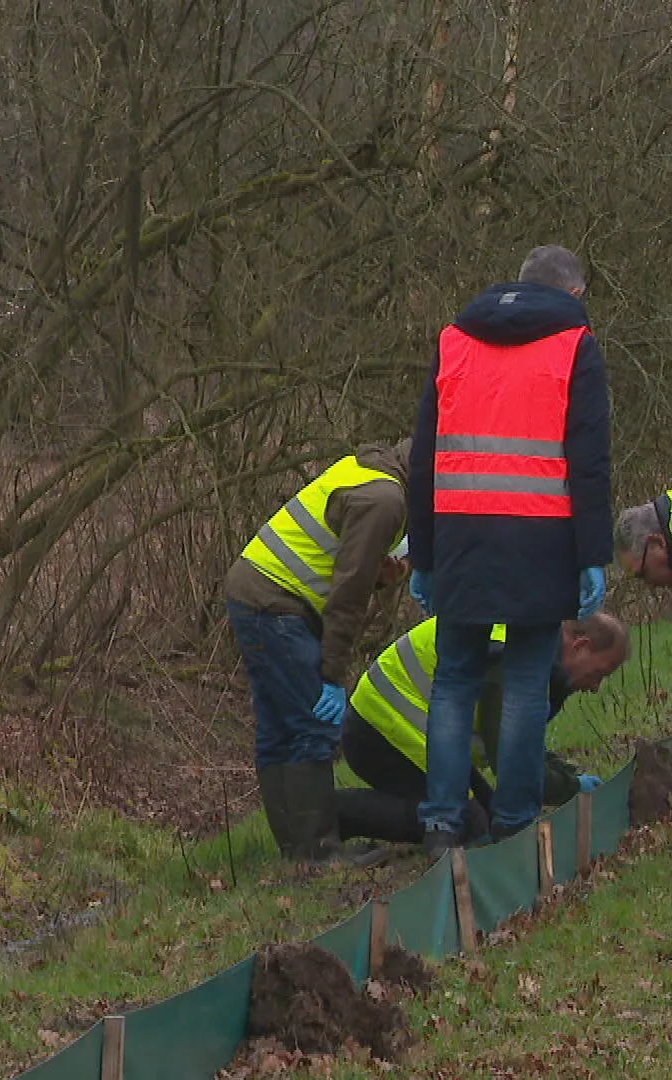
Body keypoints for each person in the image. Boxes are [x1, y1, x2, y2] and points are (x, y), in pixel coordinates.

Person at [408, 245, 613, 855]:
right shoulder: (576, 347)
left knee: (454, 680)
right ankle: (516, 825)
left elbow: (424, 457)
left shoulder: (455, 341)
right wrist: (590, 554)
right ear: (572, 294)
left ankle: (441, 824)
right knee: (525, 683)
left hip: (463, 536)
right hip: (539, 536)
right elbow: (589, 461)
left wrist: (423, 551)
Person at [223, 440, 411, 863]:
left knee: (278, 730)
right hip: (277, 604)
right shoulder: (386, 500)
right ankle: (322, 855)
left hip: (253, 590)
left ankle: (299, 851)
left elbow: (341, 560)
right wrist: (332, 672)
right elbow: (349, 592)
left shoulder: (367, 471)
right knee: (311, 728)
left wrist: (381, 574)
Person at [336, 614, 628, 844]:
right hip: (380, 729)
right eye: (599, 673)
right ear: (580, 646)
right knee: (462, 824)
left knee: (486, 818)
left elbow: (525, 746)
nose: (594, 687)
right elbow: (513, 764)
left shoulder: (535, 643)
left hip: (416, 729)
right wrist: (574, 789)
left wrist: (567, 774)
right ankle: (336, 813)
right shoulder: (511, 659)